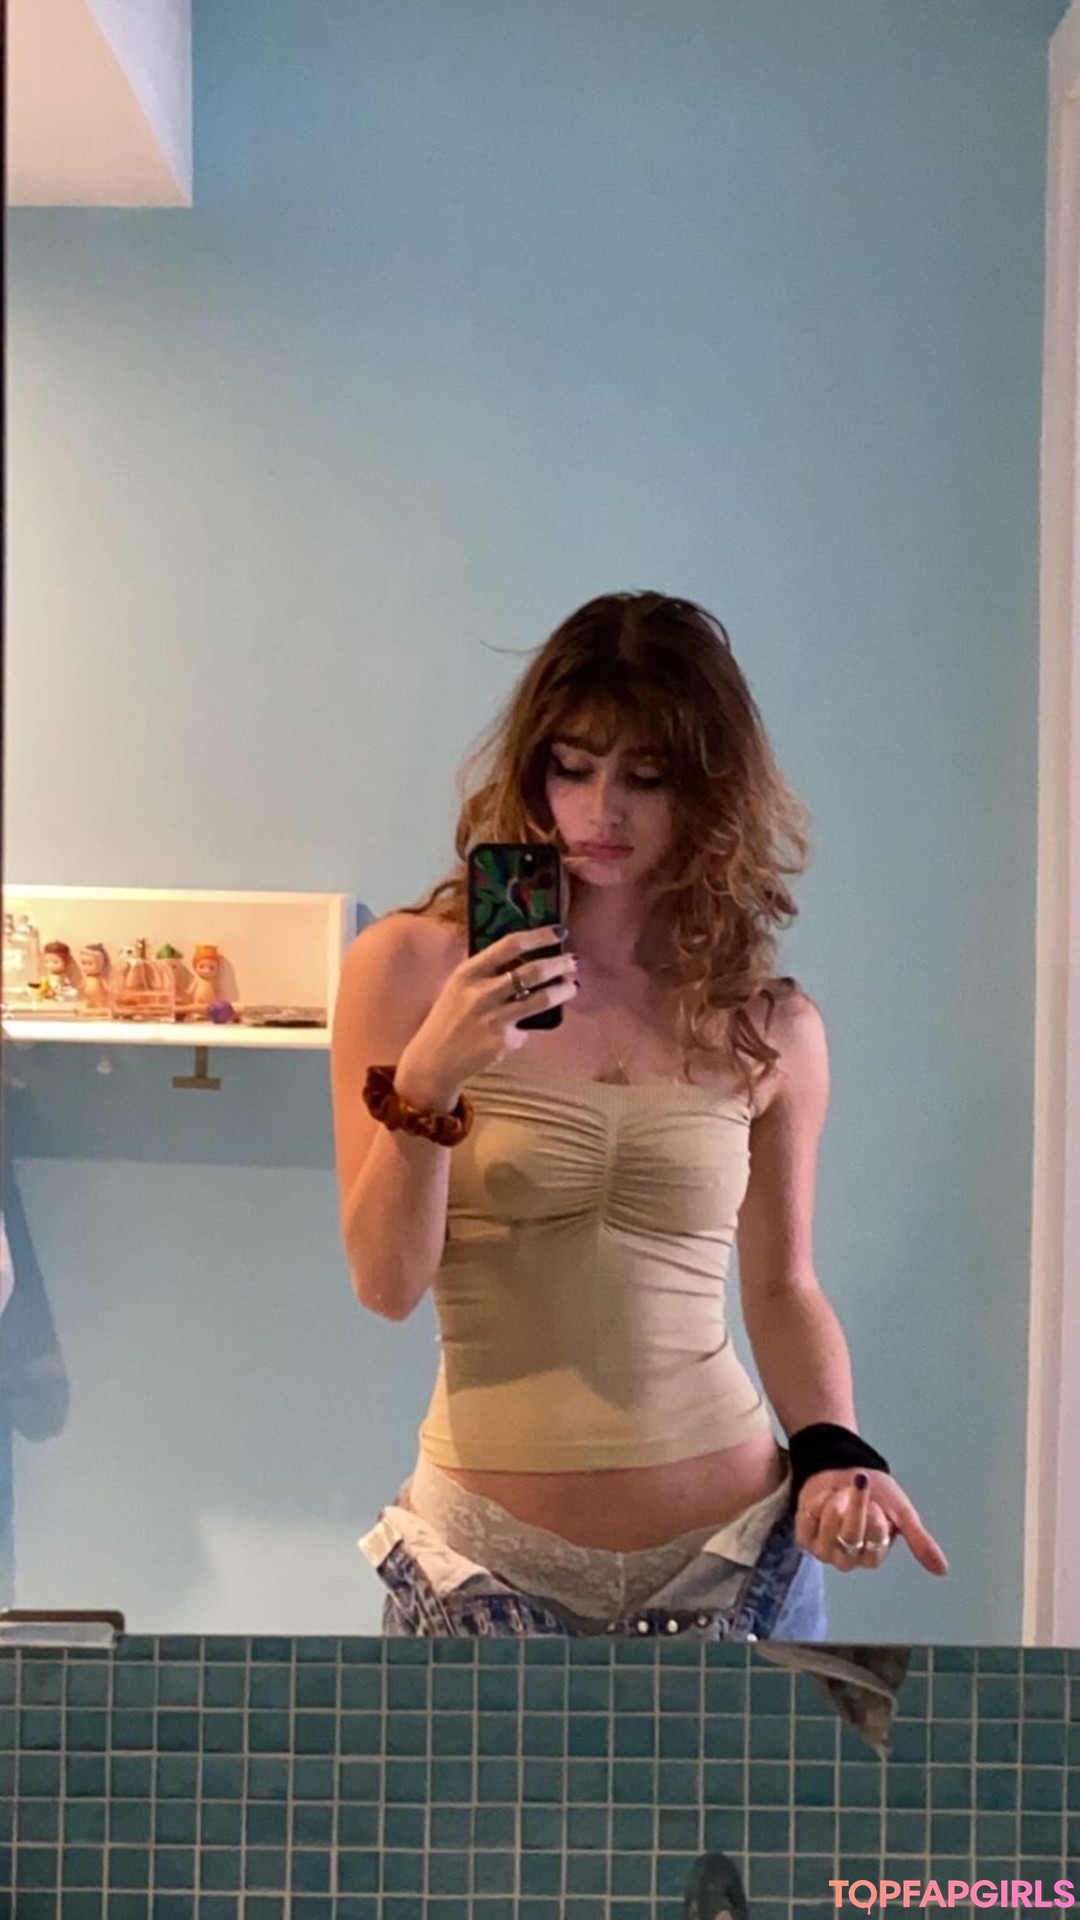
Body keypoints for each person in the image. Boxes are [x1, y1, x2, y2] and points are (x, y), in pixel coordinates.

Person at [331, 590, 948, 1639]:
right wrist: (430, 1079)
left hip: (737, 1559)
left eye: (647, 777)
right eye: (573, 767)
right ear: (534, 769)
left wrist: (838, 1455)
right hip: (481, 1568)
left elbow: (785, 1285)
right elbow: (386, 1285)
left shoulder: (766, 1022)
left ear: (708, 790)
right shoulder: (408, 970)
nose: (602, 811)